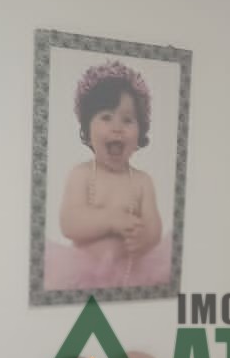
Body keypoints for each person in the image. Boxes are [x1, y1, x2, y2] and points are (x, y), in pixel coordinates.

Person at [46, 59, 170, 291]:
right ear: (87, 128)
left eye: (127, 120)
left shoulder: (142, 182)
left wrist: (145, 238)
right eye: (106, 117)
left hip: (132, 274)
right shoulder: (82, 174)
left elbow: (154, 227)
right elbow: (69, 223)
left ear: (140, 131)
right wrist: (112, 219)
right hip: (84, 274)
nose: (117, 127)